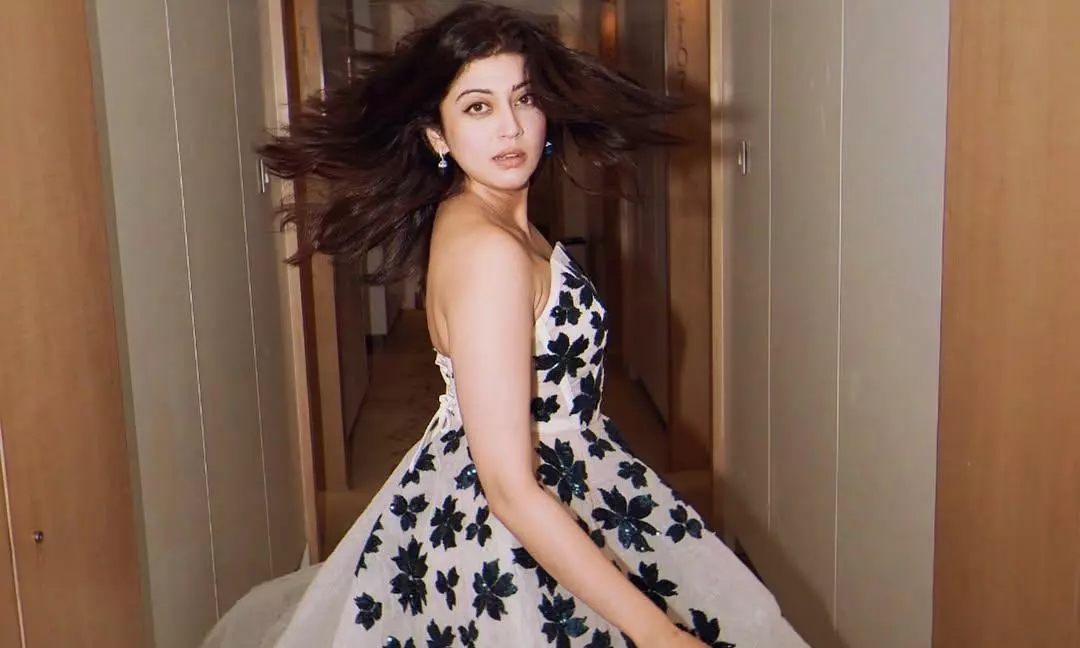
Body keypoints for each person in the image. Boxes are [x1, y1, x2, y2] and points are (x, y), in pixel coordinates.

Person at [203, 3, 810, 647]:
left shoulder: (485, 216)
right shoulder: (490, 251)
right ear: (437, 135)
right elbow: (511, 491)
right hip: (513, 532)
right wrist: (660, 637)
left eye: (525, 98)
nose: (511, 126)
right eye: (477, 107)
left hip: (553, 483)